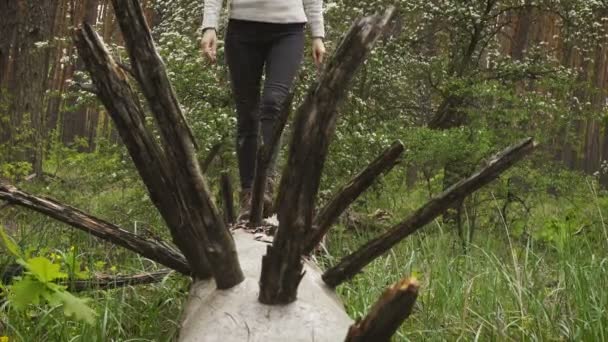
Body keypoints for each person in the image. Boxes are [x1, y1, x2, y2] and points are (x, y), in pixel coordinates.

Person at [200, 0, 326, 220]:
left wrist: (318, 34)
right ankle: (249, 195)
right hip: (241, 29)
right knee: (247, 114)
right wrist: (210, 26)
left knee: (273, 103)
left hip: (288, 30)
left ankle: (265, 184)